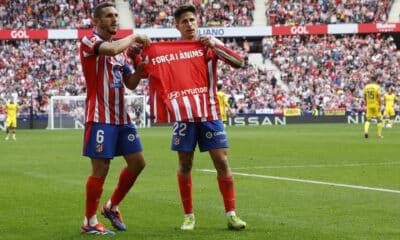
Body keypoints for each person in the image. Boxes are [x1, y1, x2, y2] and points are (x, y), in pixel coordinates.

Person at [141, 4, 247, 231]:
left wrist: (216, 49)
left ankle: (231, 214)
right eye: (184, 22)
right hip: (184, 116)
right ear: (177, 26)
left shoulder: (210, 44)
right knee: (185, 163)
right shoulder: (170, 51)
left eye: (192, 20)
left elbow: (239, 63)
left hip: (209, 112)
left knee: (221, 161)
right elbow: (146, 66)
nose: (189, 25)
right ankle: (188, 216)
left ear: (197, 21)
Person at [79, 2, 150, 235]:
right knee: (101, 168)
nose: (114, 19)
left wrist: (140, 67)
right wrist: (134, 38)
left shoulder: (121, 54)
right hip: (100, 117)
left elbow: (130, 84)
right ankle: (89, 222)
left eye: (116, 16)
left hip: (122, 118)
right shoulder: (89, 41)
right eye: (109, 16)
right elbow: (108, 50)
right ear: (97, 21)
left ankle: (111, 207)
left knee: (138, 162)